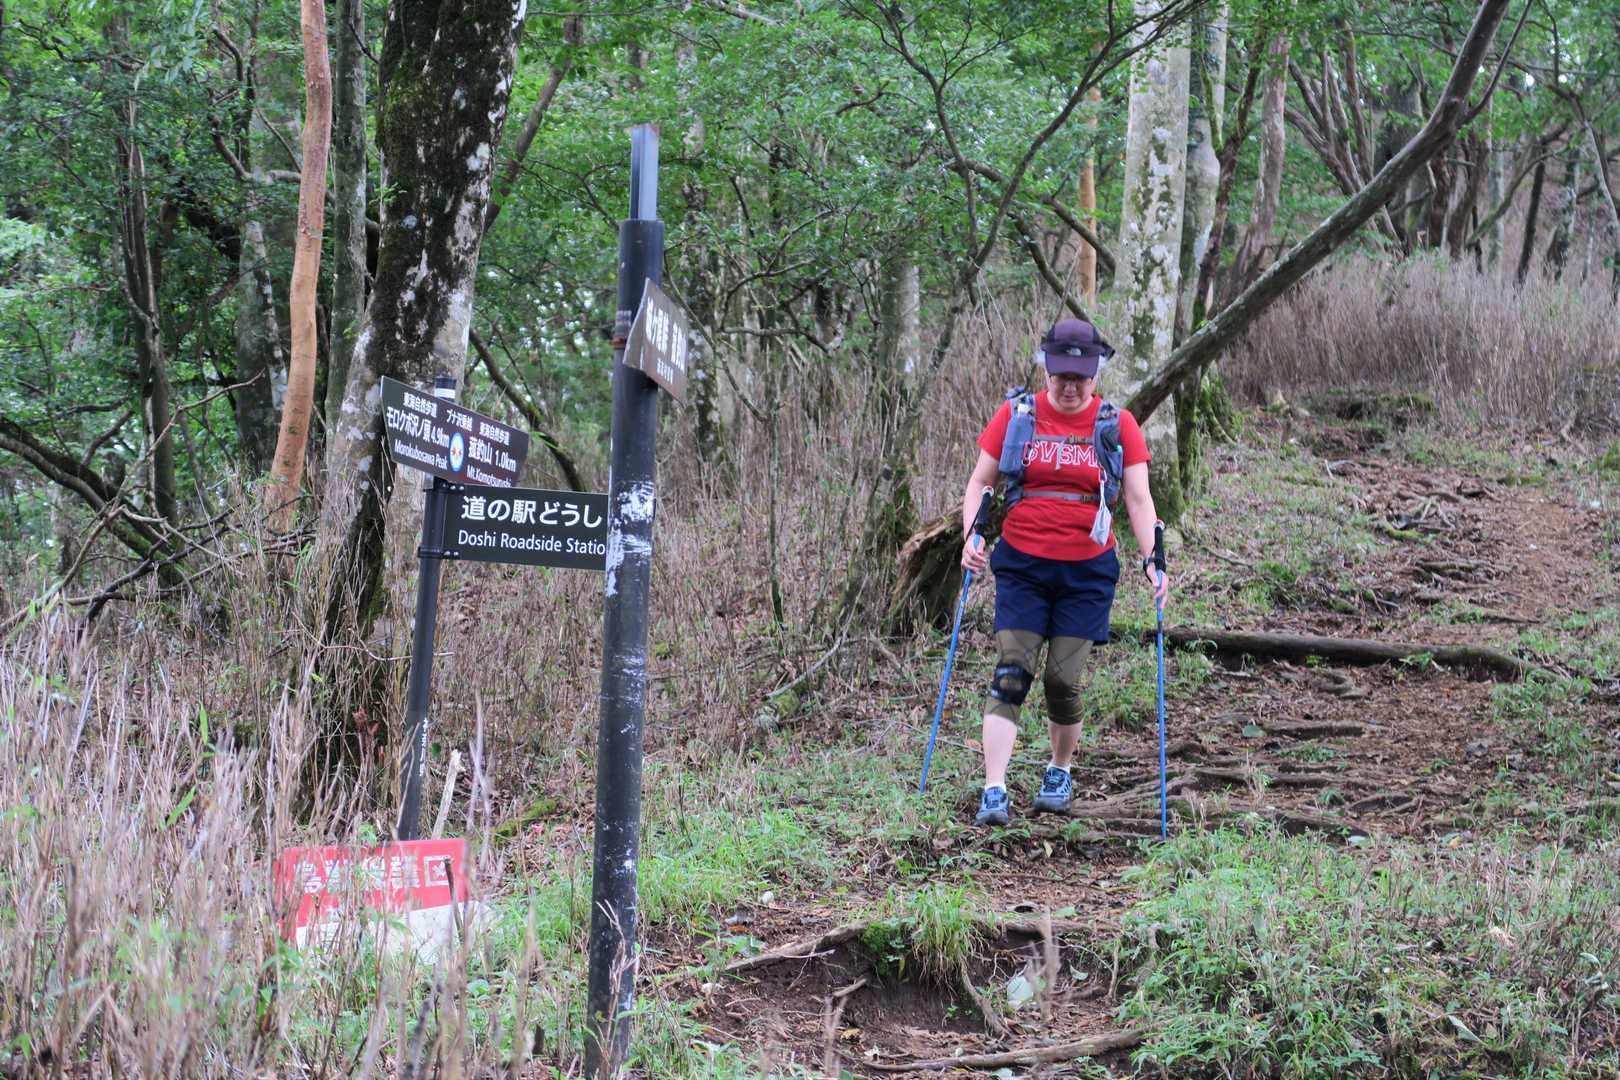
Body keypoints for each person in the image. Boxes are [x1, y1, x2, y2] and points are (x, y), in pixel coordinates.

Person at [959, 317, 1169, 825]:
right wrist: (972, 535)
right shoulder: (1017, 416)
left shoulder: (1118, 425)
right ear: (1045, 369)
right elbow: (980, 483)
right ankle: (994, 788)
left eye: (1080, 377)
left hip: (1086, 572)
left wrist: (1153, 559)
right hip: (1023, 564)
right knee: (1012, 671)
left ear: (1096, 373)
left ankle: (1059, 770)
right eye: (1060, 376)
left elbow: (1138, 500)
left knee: (1062, 680)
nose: (1070, 386)